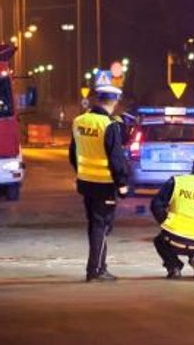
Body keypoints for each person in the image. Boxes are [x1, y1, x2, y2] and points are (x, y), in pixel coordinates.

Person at [69, 84, 130, 282]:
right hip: (104, 184)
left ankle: (99, 267)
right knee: (102, 226)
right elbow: (116, 157)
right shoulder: (108, 125)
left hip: (86, 182)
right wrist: (122, 182)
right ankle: (95, 270)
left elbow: (73, 153)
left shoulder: (79, 121)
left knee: (95, 225)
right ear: (115, 101)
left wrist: (82, 172)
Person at [150, 155, 194, 279]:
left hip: (174, 237)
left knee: (159, 241)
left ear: (193, 167)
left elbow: (156, 205)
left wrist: (165, 221)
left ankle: (174, 268)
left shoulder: (176, 181)